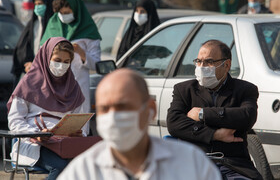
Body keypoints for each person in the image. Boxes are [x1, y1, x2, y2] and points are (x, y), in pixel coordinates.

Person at [57, 68, 222, 180]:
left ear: (151, 110)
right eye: (105, 109)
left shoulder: (191, 164)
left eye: (123, 107)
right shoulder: (83, 171)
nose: (113, 117)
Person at [167, 40, 263, 180]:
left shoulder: (245, 89)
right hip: (193, 164)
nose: (202, 67)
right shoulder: (184, 90)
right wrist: (214, 134)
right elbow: (174, 123)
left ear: (227, 65)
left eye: (209, 62)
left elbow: (246, 116)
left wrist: (202, 114)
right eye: (199, 61)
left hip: (233, 165)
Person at [7, 37, 86, 180]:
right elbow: (14, 120)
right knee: (61, 168)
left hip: (65, 144)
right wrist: (36, 134)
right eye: (57, 60)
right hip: (34, 143)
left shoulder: (73, 87)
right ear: (46, 57)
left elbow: (80, 121)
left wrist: (77, 133)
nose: (61, 66)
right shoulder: (29, 83)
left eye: (66, 62)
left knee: (87, 167)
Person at [40, 0, 102, 115]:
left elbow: (97, 64)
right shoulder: (52, 25)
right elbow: (41, 57)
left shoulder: (88, 30)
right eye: (61, 13)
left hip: (78, 85)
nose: (64, 16)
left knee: (78, 126)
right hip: (54, 86)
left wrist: (81, 53)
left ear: (76, 9)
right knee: (55, 125)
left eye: (67, 12)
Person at [11, 0, 55, 88]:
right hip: (29, 69)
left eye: (41, 4)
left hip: (47, 72)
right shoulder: (33, 24)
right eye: (36, 4)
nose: (38, 7)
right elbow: (22, 47)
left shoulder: (54, 26)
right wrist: (27, 63)